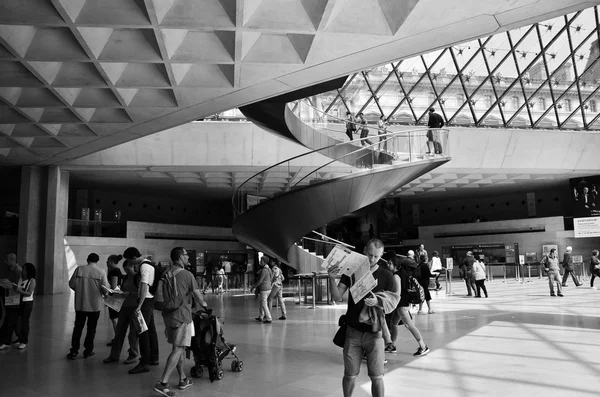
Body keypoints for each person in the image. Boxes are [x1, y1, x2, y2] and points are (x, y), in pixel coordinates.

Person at [328, 239, 396, 397]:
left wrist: (378, 301)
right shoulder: (352, 271)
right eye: (370, 255)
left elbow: (392, 303)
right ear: (365, 250)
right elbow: (337, 296)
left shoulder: (386, 275)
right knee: (350, 375)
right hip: (353, 331)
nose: (372, 259)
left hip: (375, 332)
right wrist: (332, 279)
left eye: (377, 257)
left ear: (381, 256)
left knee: (377, 376)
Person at [153, 247, 208, 397]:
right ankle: (162, 383)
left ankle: (183, 379)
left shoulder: (166, 273)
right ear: (179, 257)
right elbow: (198, 296)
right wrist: (205, 306)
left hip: (168, 315)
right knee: (178, 349)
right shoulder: (187, 274)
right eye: (186, 255)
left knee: (179, 348)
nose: (188, 257)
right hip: (182, 316)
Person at [124, 247, 160, 374]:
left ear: (134, 258)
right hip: (148, 301)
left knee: (143, 332)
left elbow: (144, 286)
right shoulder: (148, 264)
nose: (130, 263)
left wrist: (139, 305)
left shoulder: (144, 266)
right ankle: (153, 357)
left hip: (145, 302)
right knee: (151, 331)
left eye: (130, 260)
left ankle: (144, 363)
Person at [67, 253, 109, 360]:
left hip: (80, 304)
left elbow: (71, 284)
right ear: (97, 261)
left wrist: (81, 290)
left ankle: (74, 351)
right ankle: (88, 351)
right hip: (94, 306)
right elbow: (105, 289)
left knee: (78, 328)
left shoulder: (79, 269)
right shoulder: (101, 272)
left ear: (87, 259)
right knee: (91, 329)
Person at [387, 250, 430, 357]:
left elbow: (397, 292)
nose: (388, 265)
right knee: (393, 323)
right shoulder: (403, 273)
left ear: (395, 265)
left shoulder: (396, 276)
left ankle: (423, 346)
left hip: (401, 304)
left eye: (390, 263)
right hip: (402, 303)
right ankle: (391, 345)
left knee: (409, 325)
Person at [103, 259, 141, 365]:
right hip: (124, 307)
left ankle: (133, 355)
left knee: (133, 334)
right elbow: (122, 290)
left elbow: (141, 292)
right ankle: (114, 356)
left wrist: (129, 293)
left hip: (134, 307)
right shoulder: (125, 278)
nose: (126, 271)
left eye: (128, 268)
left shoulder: (137, 278)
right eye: (125, 269)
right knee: (119, 332)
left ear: (132, 267)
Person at [0, 262, 36, 350]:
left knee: (24, 322)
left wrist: (19, 291)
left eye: (24, 269)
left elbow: (29, 293)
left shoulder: (32, 280)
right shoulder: (20, 278)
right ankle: (6, 342)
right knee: (11, 321)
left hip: (26, 303)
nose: (22, 270)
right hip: (17, 302)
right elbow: (16, 288)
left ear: (28, 271)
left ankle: (23, 341)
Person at [1, 253, 22, 345]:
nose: (6, 262)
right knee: (13, 319)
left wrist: (7, 284)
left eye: (7, 260)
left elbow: (18, 286)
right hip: (9, 297)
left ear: (12, 260)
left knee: (10, 318)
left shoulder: (18, 271)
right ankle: (20, 337)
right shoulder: (10, 270)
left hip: (14, 298)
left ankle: (6, 340)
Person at [106, 254, 124, 346]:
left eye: (107, 261)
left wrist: (105, 286)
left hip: (114, 297)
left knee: (114, 319)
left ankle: (118, 339)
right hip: (117, 296)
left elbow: (113, 286)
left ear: (112, 261)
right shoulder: (117, 271)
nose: (106, 263)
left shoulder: (114, 271)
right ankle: (118, 338)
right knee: (115, 319)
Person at [252, 256, 273, 323]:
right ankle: (261, 316)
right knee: (262, 303)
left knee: (264, 303)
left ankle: (269, 318)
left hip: (264, 289)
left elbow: (260, 281)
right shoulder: (269, 269)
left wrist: (254, 286)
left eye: (261, 261)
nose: (260, 262)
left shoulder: (264, 270)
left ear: (264, 262)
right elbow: (271, 277)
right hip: (268, 288)